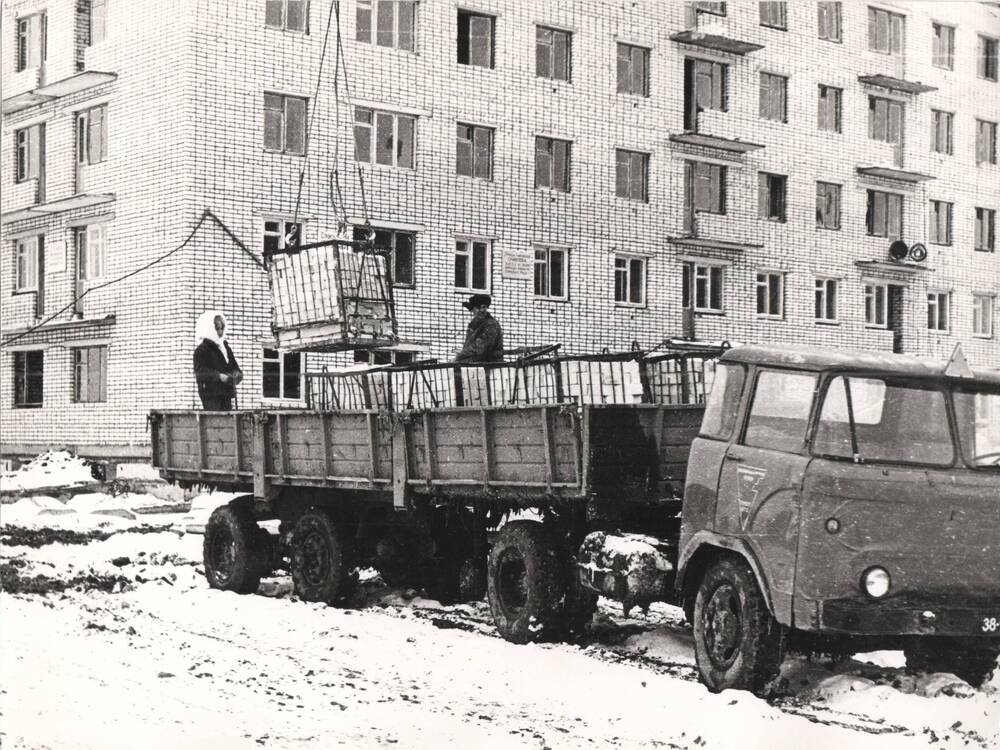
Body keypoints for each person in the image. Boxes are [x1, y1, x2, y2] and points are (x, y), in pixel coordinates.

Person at [194, 310, 243, 409]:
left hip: (227, 394)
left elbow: (234, 367)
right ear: (209, 329)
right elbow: (200, 372)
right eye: (217, 329)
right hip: (211, 396)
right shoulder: (202, 350)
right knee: (217, 422)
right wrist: (219, 376)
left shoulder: (225, 347)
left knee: (229, 422)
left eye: (222, 328)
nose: (220, 332)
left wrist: (237, 374)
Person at [456, 293, 504, 362]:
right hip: (476, 365)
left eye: (474, 309)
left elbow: (479, 348)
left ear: (483, 308)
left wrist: (459, 356)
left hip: (490, 366)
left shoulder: (491, 325)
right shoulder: (475, 325)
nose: (473, 312)